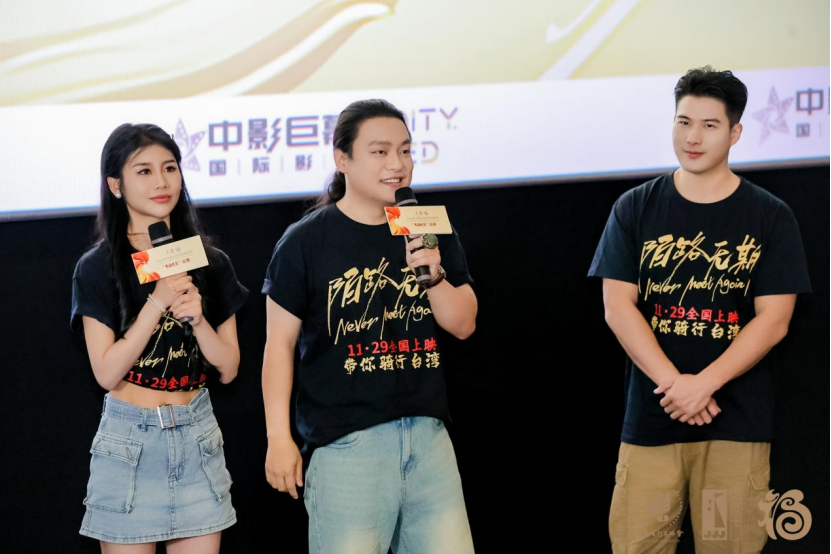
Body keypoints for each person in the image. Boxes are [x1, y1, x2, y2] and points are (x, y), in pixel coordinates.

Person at [589, 67, 812, 553]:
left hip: (735, 427)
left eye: (710, 125)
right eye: (683, 122)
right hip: (652, 423)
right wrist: (676, 386)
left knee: (726, 545)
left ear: (735, 133)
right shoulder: (634, 207)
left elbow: (774, 320)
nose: (692, 137)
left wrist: (704, 385)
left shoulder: (769, 215)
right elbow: (617, 306)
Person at [261, 99, 477, 553]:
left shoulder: (428, 227)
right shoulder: (305, 241)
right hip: (347, 445)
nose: (397, 164)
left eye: (405, 150)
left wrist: (433, 274)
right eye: (380, 152)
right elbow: (278, 345)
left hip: (428, 438)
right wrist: (278, 438)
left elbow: (463, 324)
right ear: (342, 160)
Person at [71, 123, 248, 552]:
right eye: (144, 171)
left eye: (170, 168)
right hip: (130, 442)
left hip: (197, 437)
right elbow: (106, 373)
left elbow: (228, 368)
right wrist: (157, 301)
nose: (162, 182)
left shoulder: (210, 262)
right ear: (116, 185)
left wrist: (198, 319)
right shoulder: (97, 267)